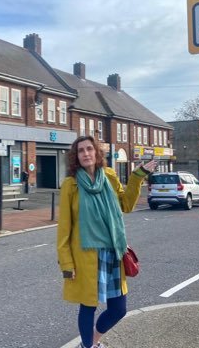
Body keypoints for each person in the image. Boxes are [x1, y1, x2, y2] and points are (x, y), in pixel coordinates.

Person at [57, 135, 157, 348]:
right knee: (88, 307)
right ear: (76, 157)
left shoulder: (109, 176)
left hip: (113, 251)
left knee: (118, 309)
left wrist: (138, 176)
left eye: (89, 149)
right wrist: (67, 264)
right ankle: (88, 346)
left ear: (97, 153)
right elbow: (64, 229)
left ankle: (93, 340)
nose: (86, 154)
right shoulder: (71, 185)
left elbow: (127, 205)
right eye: (81, 151)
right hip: (86, 255)